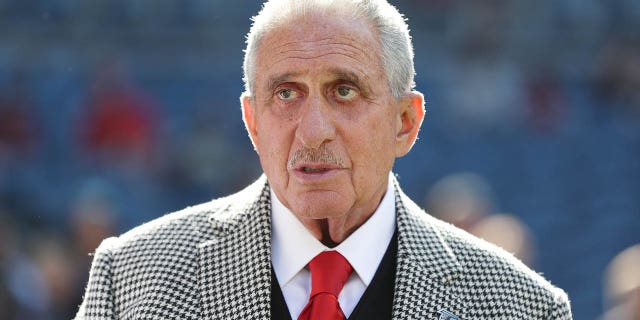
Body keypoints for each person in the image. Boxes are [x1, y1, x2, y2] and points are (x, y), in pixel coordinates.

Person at [75, 1, 572, 319]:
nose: (313, 130)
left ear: (405, 122)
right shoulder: (133, 279)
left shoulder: (520, 307)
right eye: (287, 93)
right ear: (252, 122)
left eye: (345, 90)